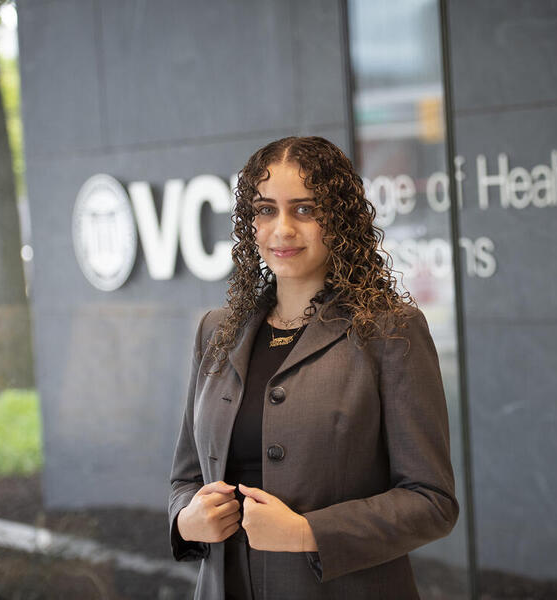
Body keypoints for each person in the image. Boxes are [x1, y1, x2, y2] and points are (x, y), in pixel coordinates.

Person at [168, 136, 458, 599]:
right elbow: (186, 477)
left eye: (304, 210)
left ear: (339, 219)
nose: (282, 229)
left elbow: (432, 501)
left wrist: (308, 533)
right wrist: (186, 519)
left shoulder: (390, 331)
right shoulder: (216, 330)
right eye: (265, 210)